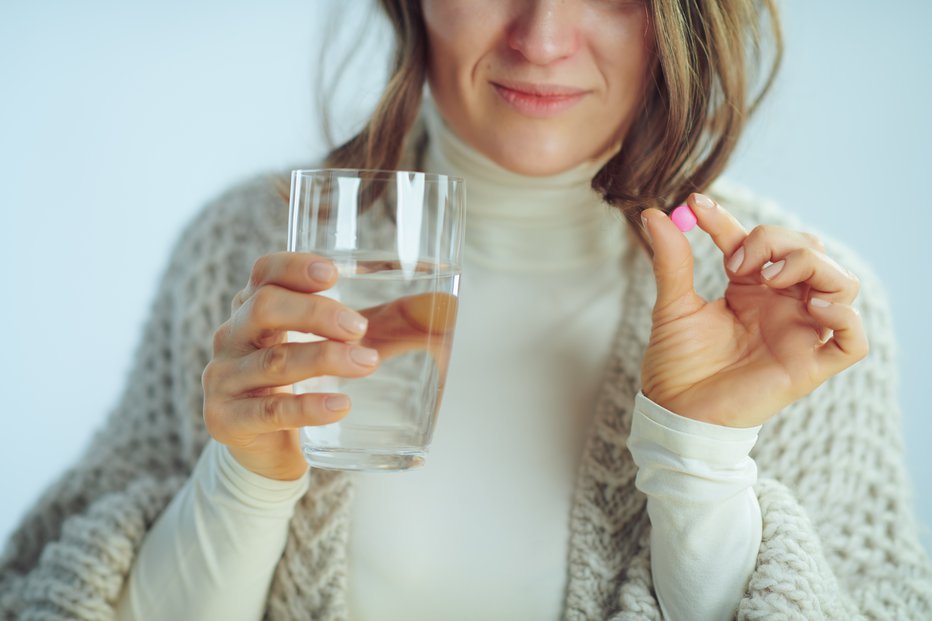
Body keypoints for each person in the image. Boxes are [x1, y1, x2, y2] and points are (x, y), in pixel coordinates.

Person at [2, 0, 931, 619]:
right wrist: (244, 481)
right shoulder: (243, 251)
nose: (543, 35)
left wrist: (700, 461)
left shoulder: (795, 318)